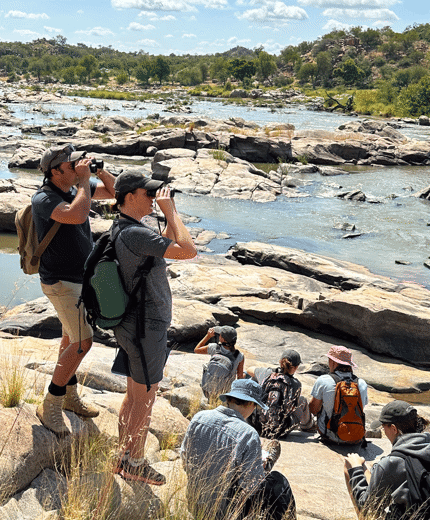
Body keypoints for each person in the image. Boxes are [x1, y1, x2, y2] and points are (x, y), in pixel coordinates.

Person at [111, 171, 197, 485]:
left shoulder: (123, 227)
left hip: (132, 323)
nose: (153, 198)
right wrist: (171, 212)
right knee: (145, 398)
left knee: (135, 395)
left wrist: (164, 214)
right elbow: (188, 250)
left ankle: (123, 455)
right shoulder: (135, 234)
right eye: (147, 193)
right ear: (129, 196)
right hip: (146, 326)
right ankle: (135, 462)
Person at [33, 144, 116, 437]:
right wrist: (83, 181)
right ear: (56, 171)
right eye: (70, 165)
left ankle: (69, 396)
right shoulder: (44, 198)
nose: (76, 167)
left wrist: (99, 169)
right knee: (83, 342)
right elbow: (77, 216)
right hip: (59, 281)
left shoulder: (75, 188)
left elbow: (115, 192)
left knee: (70, 336)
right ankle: (50, 403)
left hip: (78, 279)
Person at [181, 379, 296, 520]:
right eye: (255, 406)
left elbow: (185, 457)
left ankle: (265, 463)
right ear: (250, 403)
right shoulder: (248, 434)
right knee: (278, 482)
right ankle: (267, 463)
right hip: (223, 511)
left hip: (194, 502)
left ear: (229, 399)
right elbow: (252, 485)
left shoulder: (199, 418)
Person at [344, 400, 430, 519]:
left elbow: (367, 507)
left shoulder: (392, 463)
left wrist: (356, 469)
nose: (384, 431)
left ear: (394, 429)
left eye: (384, 427)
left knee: (349, 466)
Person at [247, 349, 315, 438]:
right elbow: (291, 407)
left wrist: (270, 371)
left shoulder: (267, 374)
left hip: (257, 426)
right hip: (280, 432)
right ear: (296, 367)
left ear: (280, 362)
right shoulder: (296, 384)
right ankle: (308, 426)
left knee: (251, 380)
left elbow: (249, 369)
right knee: (302, 400)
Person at [309, 345, 368, 445]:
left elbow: (313, 409)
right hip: (356, 435)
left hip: (330, 436)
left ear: (333, 362)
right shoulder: (361, 383)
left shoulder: (323, 380)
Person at [195, 325, 244, 398]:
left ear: (222, 339)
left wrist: (208, 336)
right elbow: (239, 376)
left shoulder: (214, 348)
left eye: (220, 335)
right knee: (245, 374)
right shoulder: (239, 356)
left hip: (208, 388)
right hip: (225, 391)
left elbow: (196, 350)